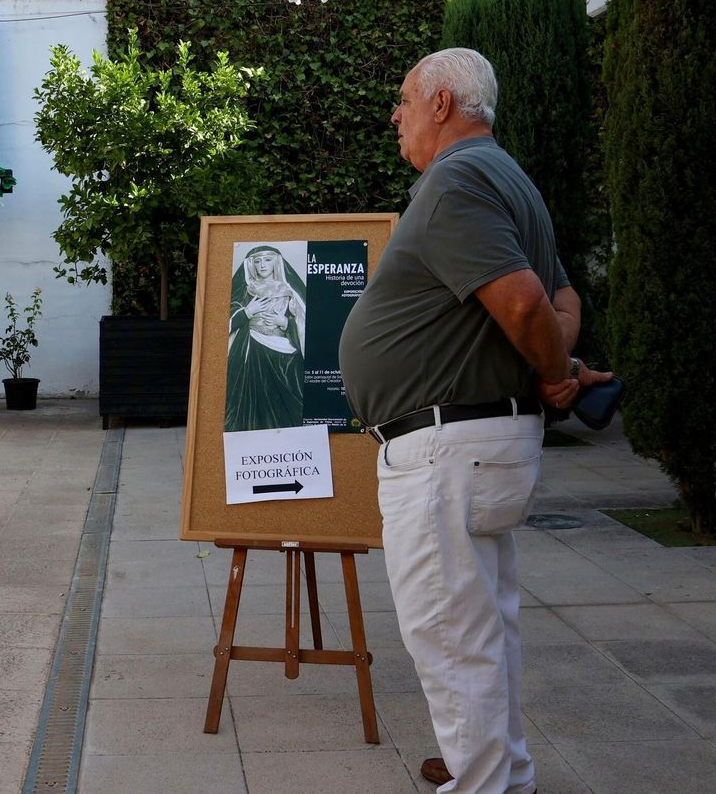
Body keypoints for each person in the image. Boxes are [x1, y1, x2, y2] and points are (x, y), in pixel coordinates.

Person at [338, 50, 611, 794]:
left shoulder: (455, 179)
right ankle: (502, 772)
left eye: (402, 99)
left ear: (441, 103)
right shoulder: (511, 180)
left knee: (453, 636)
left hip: (445, 449)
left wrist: (556, 372)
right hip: (474, 442)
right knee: (483, 628)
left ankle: (483, 783)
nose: (394, 115)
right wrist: (560, 366)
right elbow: (564, 302)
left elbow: (528, 306)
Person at [225, 245, 307, 432]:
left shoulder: (290, 290)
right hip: (251, 352)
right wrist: (247, 312)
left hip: (284, 356)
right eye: (257, 260)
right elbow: (223, 324)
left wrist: (285, 322)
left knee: (291, 404)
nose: (262, 265)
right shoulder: (244, 291)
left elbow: (306, 324)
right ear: (251, 265)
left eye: (267, 260)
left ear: (276, 262)